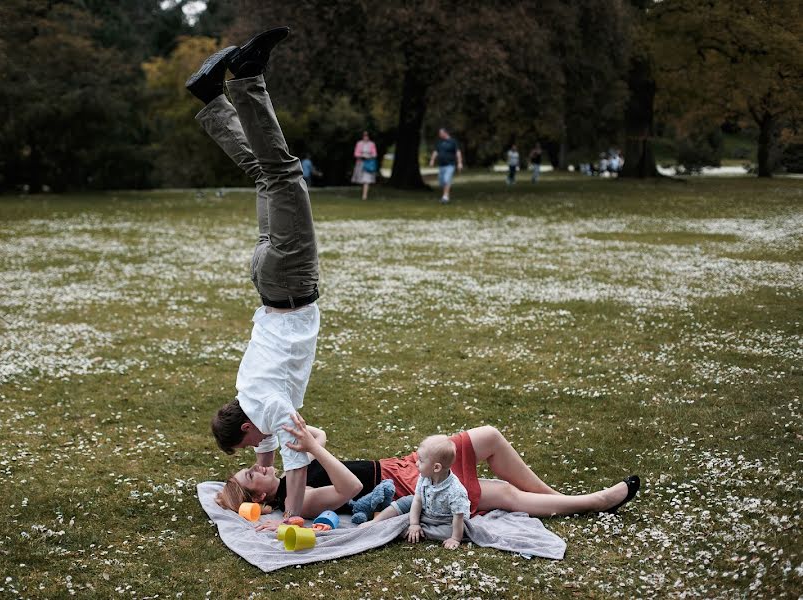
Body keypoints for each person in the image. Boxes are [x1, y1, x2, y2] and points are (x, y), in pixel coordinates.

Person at [186, 26, 321, 521]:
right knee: (267, 174)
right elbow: (268, 443)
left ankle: (247, 80)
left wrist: (293, 514)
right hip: (267, 283)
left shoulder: (265, 407)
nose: (259, 462)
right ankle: (210, 99)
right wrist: (262, 459)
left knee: (285, 173)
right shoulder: (248, 392)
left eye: (249, 455)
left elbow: (297, 457)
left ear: (246, 429)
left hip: (290, 283)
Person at [216, 415, 641, 532]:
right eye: (253, 476)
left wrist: (308, 443)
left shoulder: (293, 474)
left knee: (491, 448)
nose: (258, 466)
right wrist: (312, 450)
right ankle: (593, 502)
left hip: (399, 466)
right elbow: (347, 486)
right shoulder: (298, 500)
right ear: (263, 499)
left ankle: (565, 499)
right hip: (405, 483)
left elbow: (321, 436)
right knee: (502, 492)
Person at [369, 435, 471, 549]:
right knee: (408, 500)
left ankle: (416, 531)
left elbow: (458, 517)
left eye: (421, 461)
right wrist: (414, 524)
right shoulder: (425, 477)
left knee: (449, 531)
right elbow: (417, 500)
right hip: (427, 510)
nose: (416, 463)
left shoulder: (455, 491)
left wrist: (455, 538)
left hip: (446, 520)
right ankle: (375, 521)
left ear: (436, 468)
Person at [428, 128, 463, 204]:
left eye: (440, 133)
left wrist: (459, 163)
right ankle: (446, 193)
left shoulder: (453, 142)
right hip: (441, 166)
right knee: (441, 181)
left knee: (446, 179)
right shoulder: (440, 143)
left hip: (450, 165)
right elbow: (436, 152)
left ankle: (445, 197)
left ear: (445, 133)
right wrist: (432, 160)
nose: (439, 135)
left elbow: (458, 152)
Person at [351, 131, 378, 200]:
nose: (365, 137)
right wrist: (362, 156)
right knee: (361, 179)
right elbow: (356, 153)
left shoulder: (372, 144)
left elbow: (374, 154)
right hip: (360, 163)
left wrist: (369, 156)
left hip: (368, 164)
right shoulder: (359, 143)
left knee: (366, 179)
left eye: (367, 136)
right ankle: (363, 193)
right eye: (364, 136)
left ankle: (364, 195)